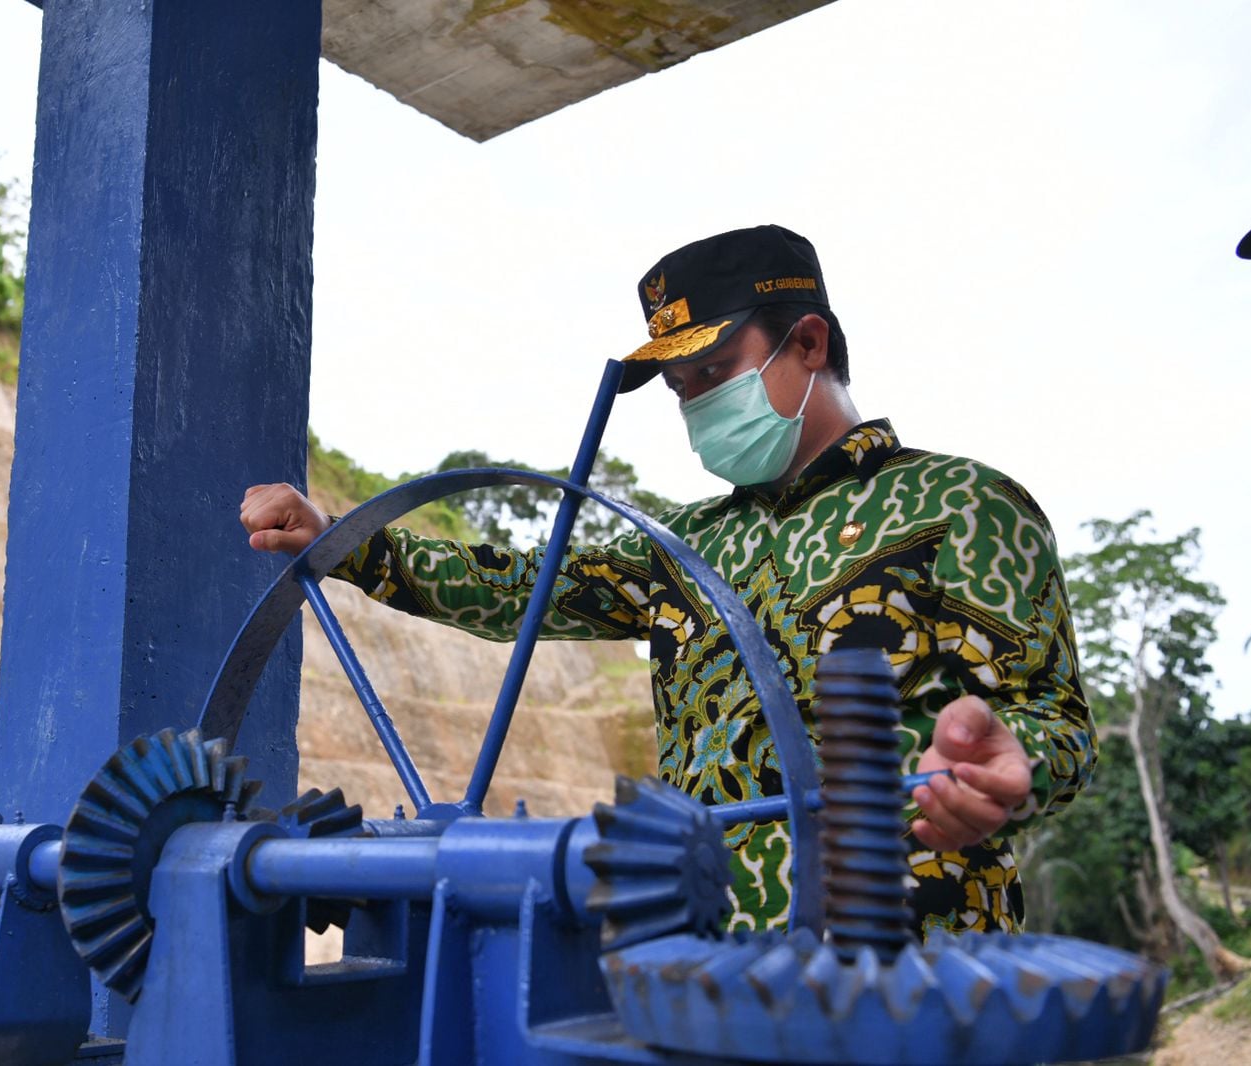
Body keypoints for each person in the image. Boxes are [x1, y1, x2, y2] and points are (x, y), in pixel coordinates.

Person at [241, 225, 1096, 936]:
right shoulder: (685, 544)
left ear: (808, 343)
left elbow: (1051, 718)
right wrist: (350, 545)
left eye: (714, 372)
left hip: (909, 961)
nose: (697, 405)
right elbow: (523, 589)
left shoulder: (960, 505)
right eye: (682, 388)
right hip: (703, 960)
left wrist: (1011, 764)